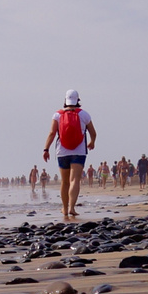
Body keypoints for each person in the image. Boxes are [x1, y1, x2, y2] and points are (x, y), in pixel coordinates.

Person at [41, 91, 98, 221]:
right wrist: (92, 142)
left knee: (65, 181)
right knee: (74, 180)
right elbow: (93, 133)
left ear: (65, 100)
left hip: (62, 152)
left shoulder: (57, 115)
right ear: (78, 100)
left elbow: (52, 133)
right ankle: (72, 207)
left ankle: (65, 209)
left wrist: (46, 149)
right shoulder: (84, 114)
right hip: (79, 152)